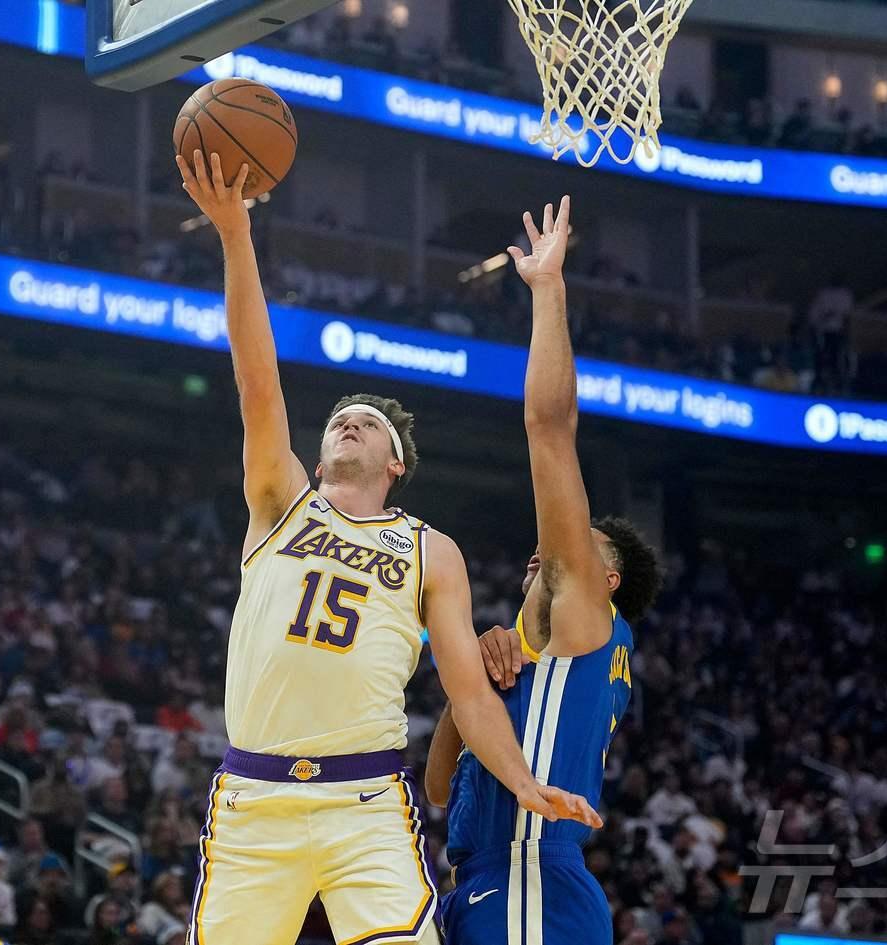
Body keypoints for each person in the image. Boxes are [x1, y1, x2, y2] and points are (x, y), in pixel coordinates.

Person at [173, 151, 599, 945]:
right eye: (341, 417)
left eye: (367, 421)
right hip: (253, 797)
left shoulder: (431, 550)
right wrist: (235, 236)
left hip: (364, 800)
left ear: (394, 463)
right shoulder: (280, 501)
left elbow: (469, 694)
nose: (348, 422)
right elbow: (255, 376)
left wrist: (523, 780)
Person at [425, 196, 661, 945]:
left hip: (528, 875)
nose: (549, 548)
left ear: (605, 578)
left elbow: (549, 428)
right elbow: (436, 787)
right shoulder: (539, 665)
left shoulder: (589, 616)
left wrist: (548, 291)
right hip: (490, 882)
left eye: (575, 545)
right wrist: (468, 691)